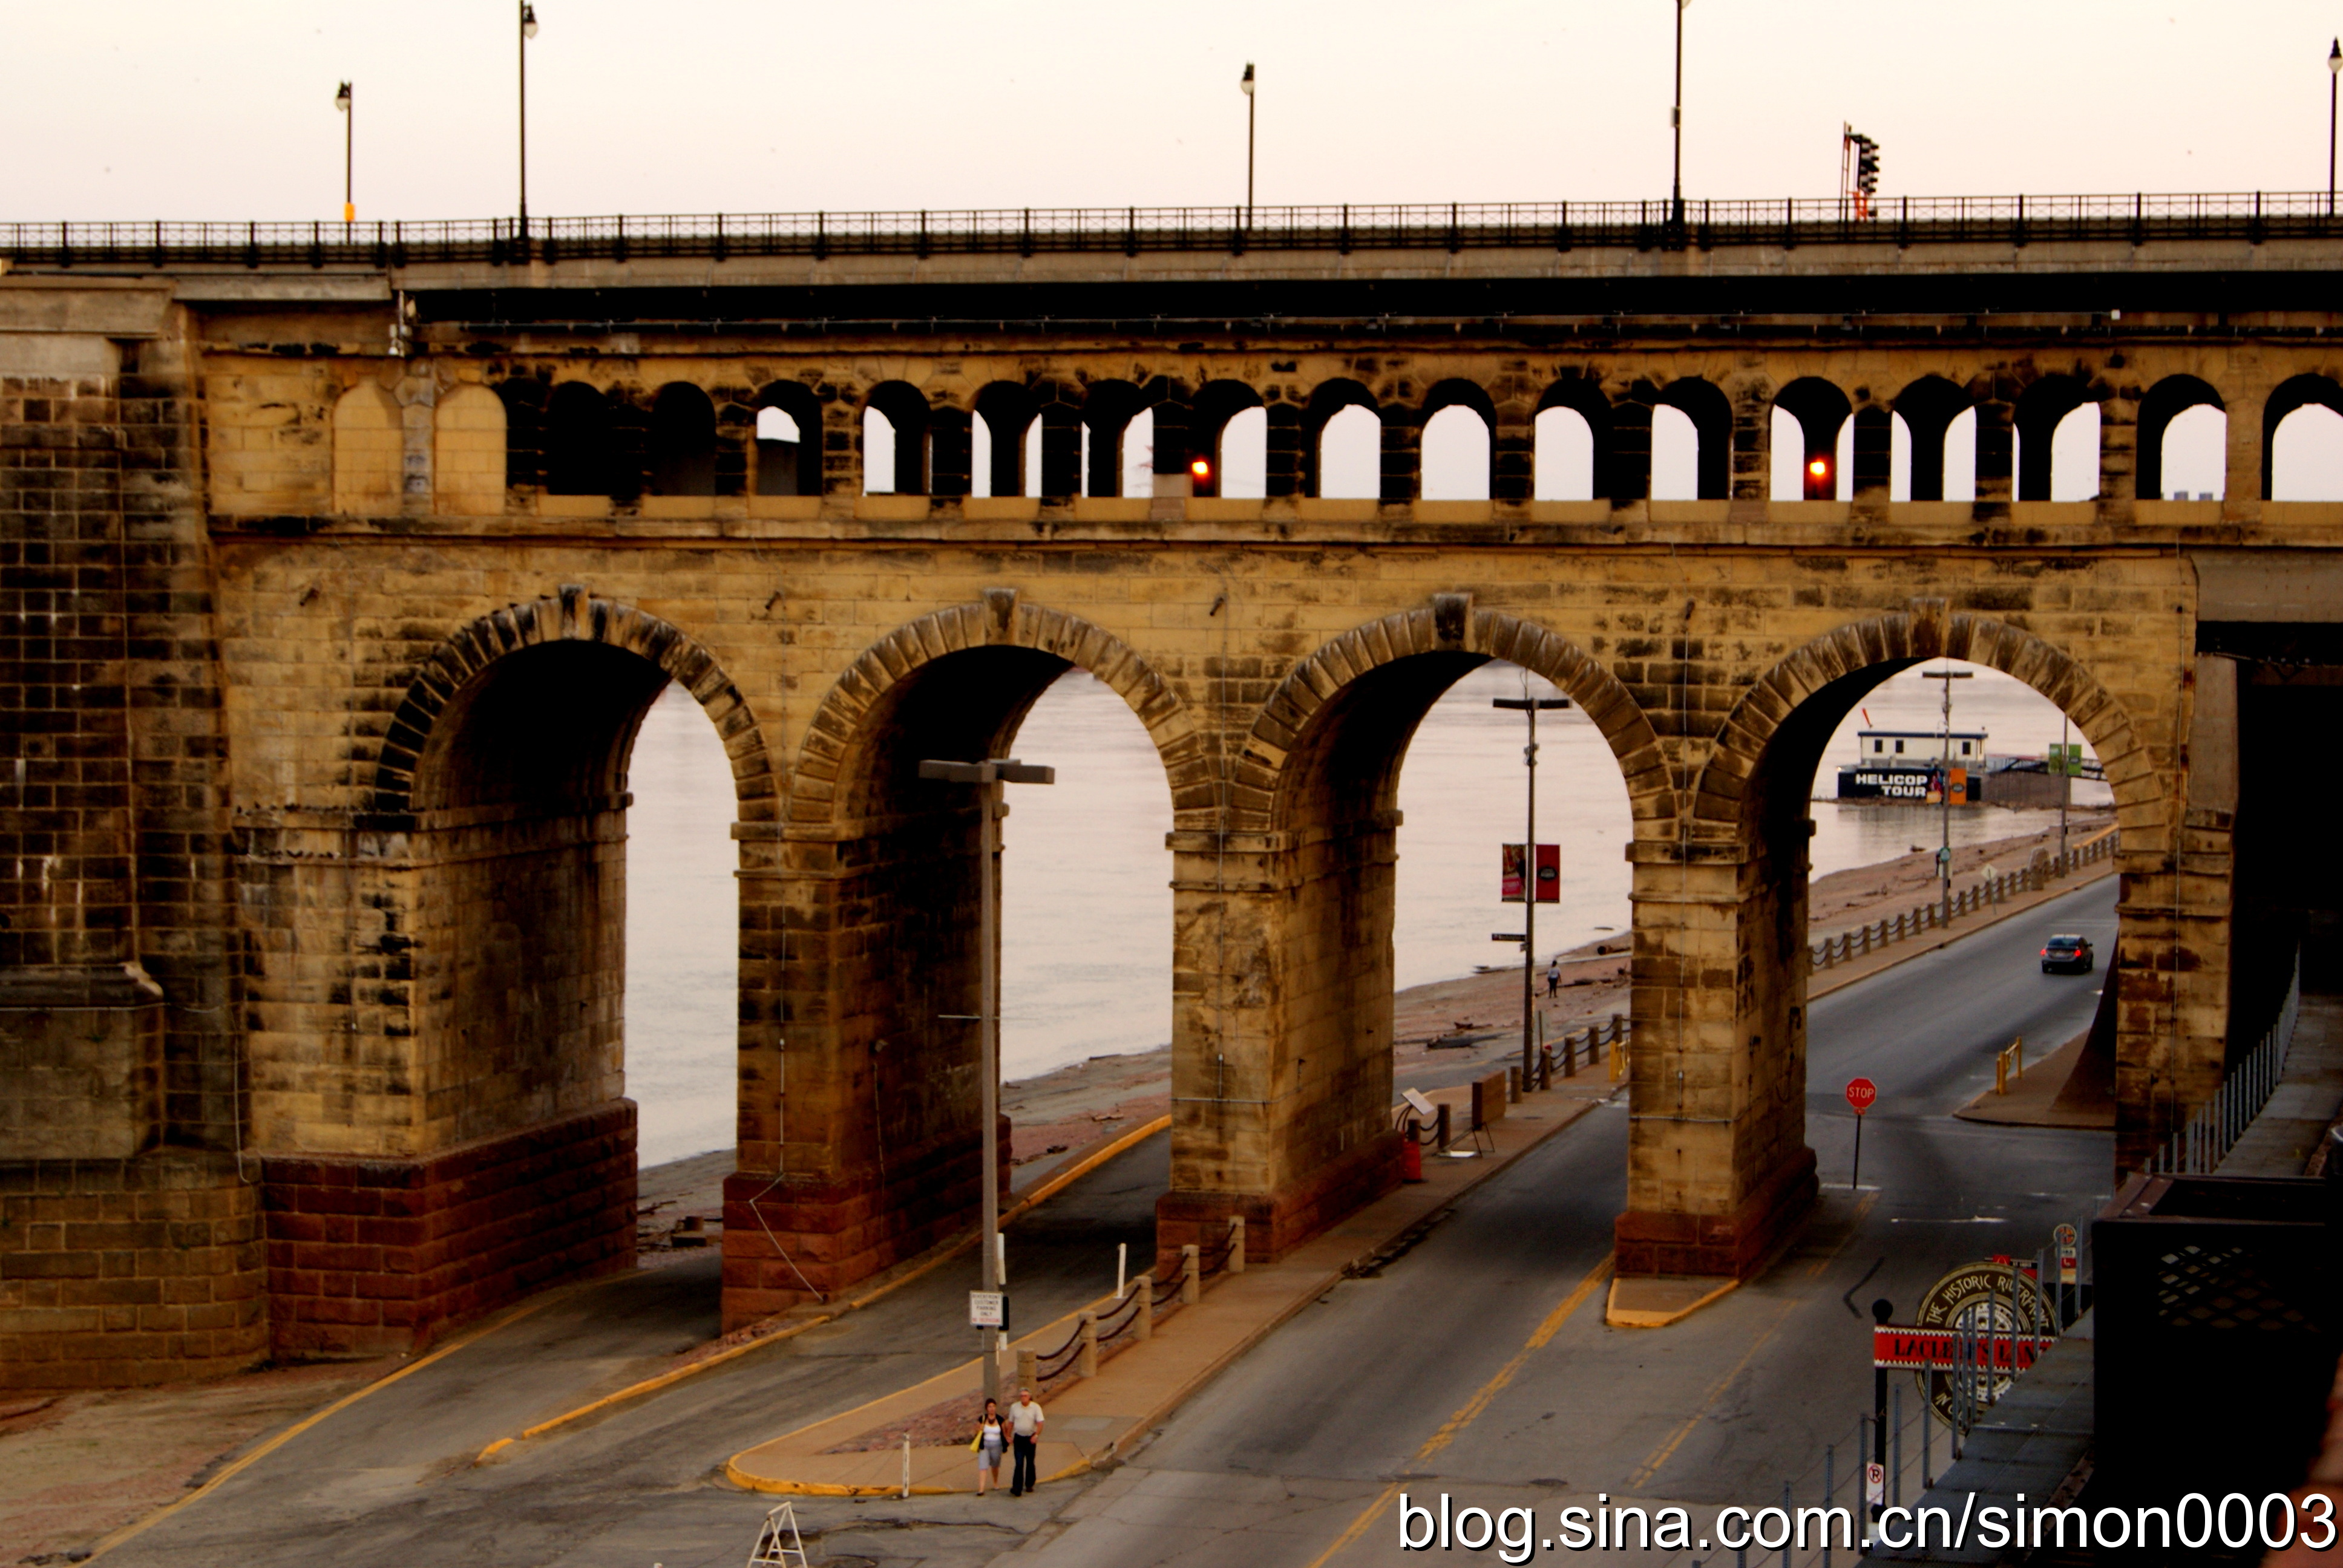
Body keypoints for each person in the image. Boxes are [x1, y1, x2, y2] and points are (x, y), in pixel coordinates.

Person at [1006, 1385, 1045, 1495]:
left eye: (1025, 1396)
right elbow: (1011, 1423)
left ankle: (1029, 1483)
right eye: (1022, 1396)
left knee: (1030, 1462)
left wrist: (1036, 1435)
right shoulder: (1014, 1407)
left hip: (1030, 1438)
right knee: (1019, 1463)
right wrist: (1008, 1436)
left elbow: (1040, 1423)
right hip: (1019, 1438)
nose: (1023, 1398)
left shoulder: (1036, 1408)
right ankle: (1017, 1487)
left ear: (1029, 1397)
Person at [972, 1397, 1005, 1495]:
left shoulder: (1000, 1419)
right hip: (985, 1445)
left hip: (997, 1444)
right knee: (983, 1466)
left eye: (993, 1406)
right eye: (990, 1407)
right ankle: (981, 1489)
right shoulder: (982, 1419)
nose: (992, 1409)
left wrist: (1007, 1441)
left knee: (995, 1465)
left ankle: (995, 1482)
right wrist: (980, 1429)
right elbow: (975, 1432)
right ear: (987, 1408)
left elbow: (1004, 1432)